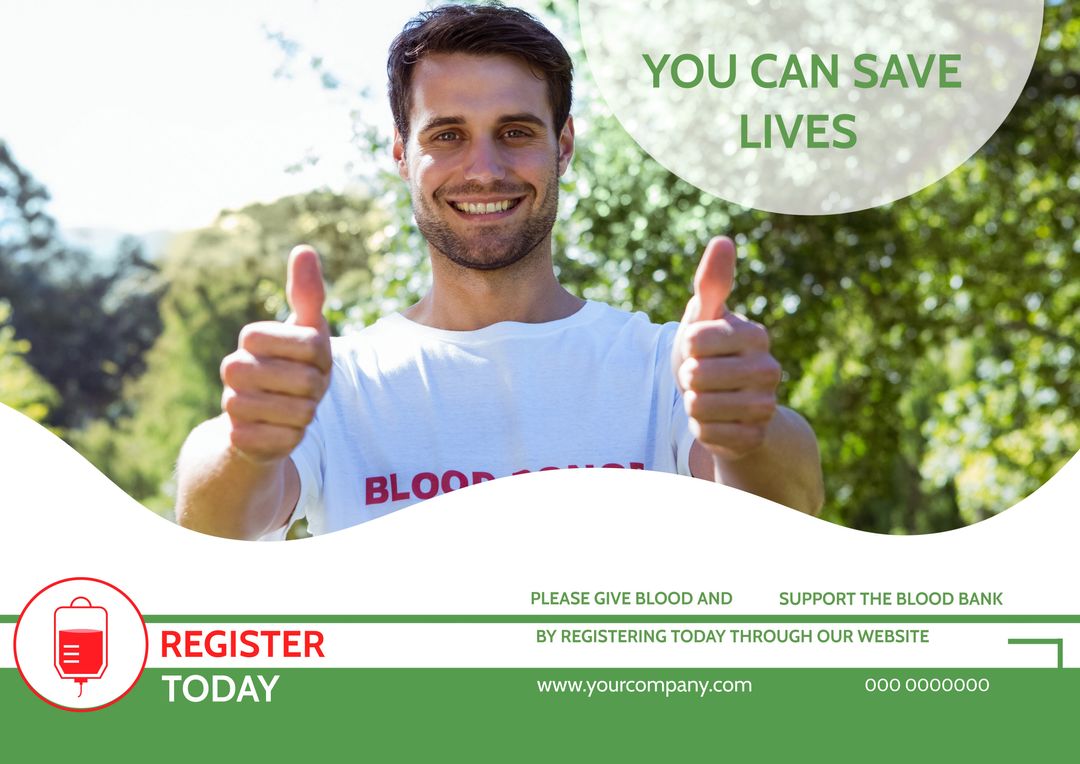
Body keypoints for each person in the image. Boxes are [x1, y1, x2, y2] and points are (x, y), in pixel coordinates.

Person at [176, 3, 824, 540]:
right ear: (402, 154)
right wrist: (244, 446)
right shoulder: (335, 386)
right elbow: (213, 524)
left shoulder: (667, 370)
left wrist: (749, 436)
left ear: (562, 146)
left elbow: (792, 506)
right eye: (447, 135)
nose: (483, 170)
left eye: (515, 132)